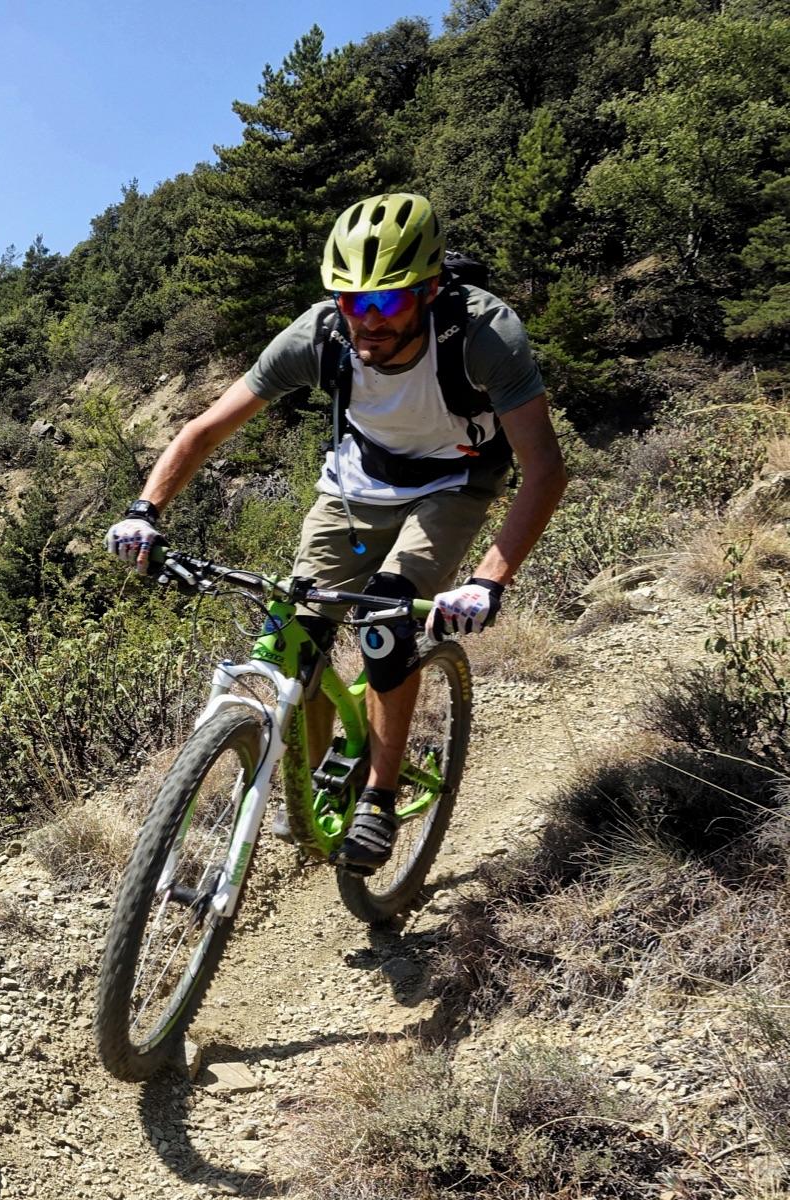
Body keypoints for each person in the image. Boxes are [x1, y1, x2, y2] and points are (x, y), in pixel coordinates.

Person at [105, 192, 567, 872]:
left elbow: (545, 469)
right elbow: (204, 430)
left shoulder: (482, 335)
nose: (366, 321)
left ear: (431, 291)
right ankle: (314, 790)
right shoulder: (320, 335)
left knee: (383, 624)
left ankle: (378, 797)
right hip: (354, 487)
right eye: (352, 302)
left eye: (385, 302)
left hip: (454, 484)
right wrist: (145, 509)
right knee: (295, 631)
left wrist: (488, 581)